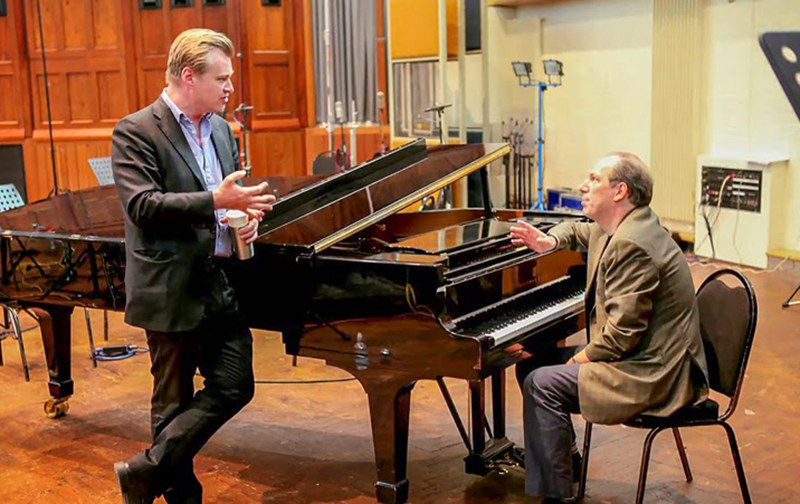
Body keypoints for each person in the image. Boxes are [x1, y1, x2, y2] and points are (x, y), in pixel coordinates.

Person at [111, 28, 276, 504]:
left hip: (219, 279)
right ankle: (180, 493)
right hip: (169, 284)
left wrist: (245, 220)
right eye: (221, 79)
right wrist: (215, 201)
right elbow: (142, 205)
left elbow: (227, 201)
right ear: (189, 76)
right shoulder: (137, 130)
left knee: (236, 383)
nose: (230, 88)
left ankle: (144, 472)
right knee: (172, 399)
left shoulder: (222, 130)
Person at [508, 153, 709, 503]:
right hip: (643, 354)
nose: (583, 187)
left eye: (594, 179)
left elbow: (620, 338)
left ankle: (557, 496)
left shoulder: (633, 245)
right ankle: (566, 463)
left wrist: (576, 361)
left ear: (620, 191)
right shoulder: (625, 225)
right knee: (532, 365)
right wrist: (548, 241)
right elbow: (577, 230)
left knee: (542, 382)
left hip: (652, 372)